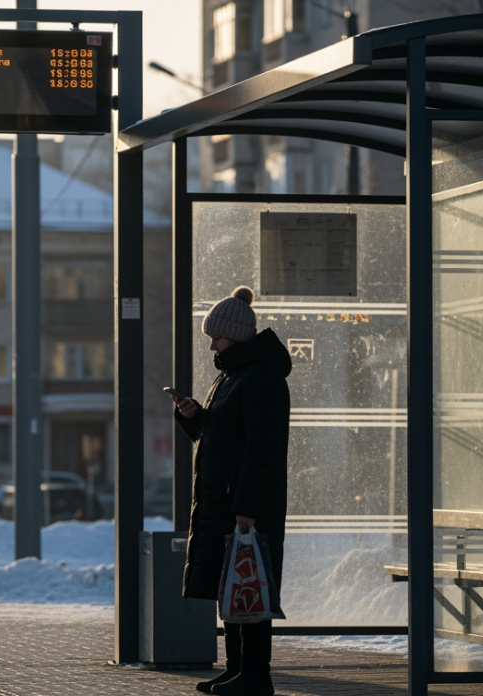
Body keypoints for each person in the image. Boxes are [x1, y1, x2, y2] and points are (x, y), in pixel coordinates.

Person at [172, 285, 291, 696]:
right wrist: (195, 418)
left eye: (217, 338)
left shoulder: (261, 378)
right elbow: (225, 438)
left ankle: (256, 674)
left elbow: (262, 449)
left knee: (250, 588)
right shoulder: (233, 377)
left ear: (237, 336)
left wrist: (246, 508)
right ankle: (237, 669)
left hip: (245, 507)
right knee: (233, 589)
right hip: (228, 502)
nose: (212, 346)